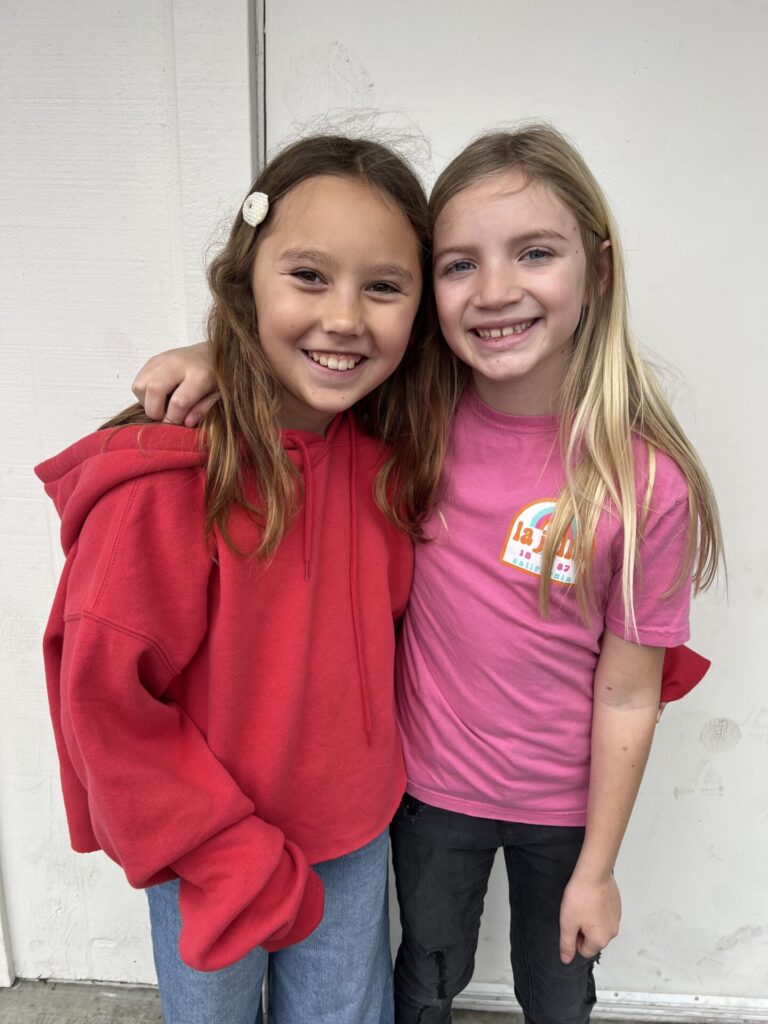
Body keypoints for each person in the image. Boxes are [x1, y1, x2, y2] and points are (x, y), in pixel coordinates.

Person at [126, 125, 721, 1024]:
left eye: (534, 252)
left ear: (598, 269)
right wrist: (222, 356)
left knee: (559, 991)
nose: (496, 289)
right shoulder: (414, 424)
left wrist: (599, 868)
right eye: (458, 264)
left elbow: (632, 689)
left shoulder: (645, 487)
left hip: (563, 813)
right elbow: (315, 370)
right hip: (428, 795)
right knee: (425, 979)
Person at [36, 134, 452, 1024]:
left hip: (350, 840)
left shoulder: (392, 463)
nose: (345, 316)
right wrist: (224, 854)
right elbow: (104, 703)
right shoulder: (169, 484)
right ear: (244, 282)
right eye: (308, 276)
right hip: (206, 855)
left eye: (384, 286)